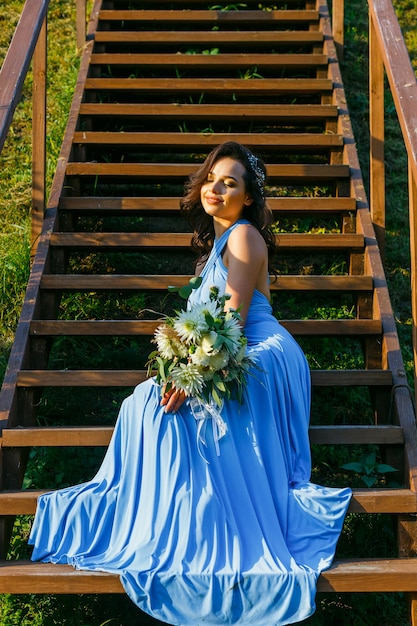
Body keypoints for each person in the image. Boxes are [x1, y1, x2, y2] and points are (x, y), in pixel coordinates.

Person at [29, 141, 352, 625]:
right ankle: (172, 517)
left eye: (230, 182)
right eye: (211, 178)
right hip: (228, 347)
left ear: (248, 198)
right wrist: (180, 362)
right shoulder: (216, 247)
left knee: (171, 410)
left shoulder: (244, 237)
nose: (216, 188)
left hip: (258, 351)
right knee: (145, 402)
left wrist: (194, 375)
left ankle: (202, 522)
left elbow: (233, 321)